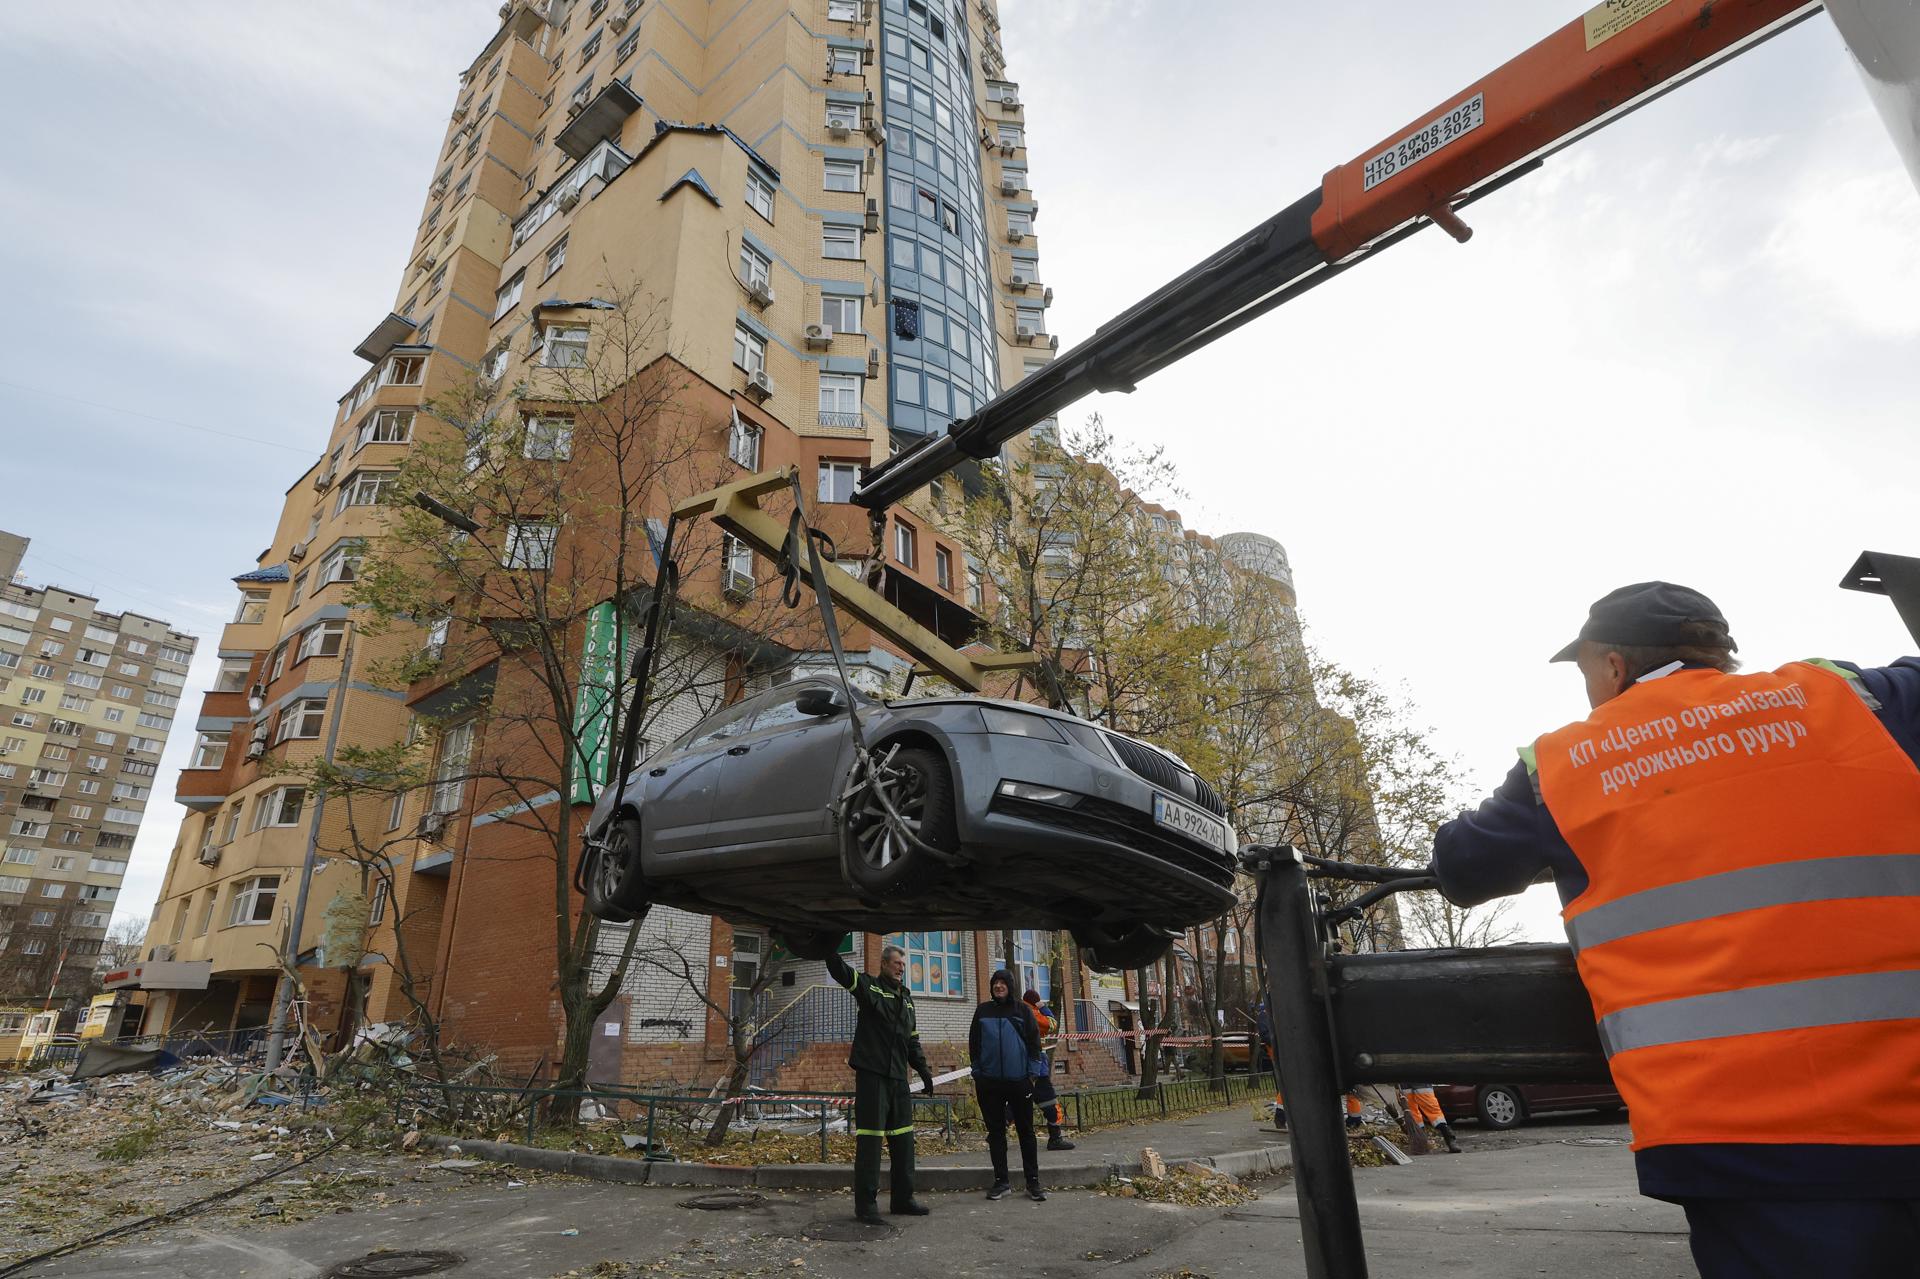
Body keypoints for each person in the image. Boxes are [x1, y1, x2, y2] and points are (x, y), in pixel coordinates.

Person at [1430, 581, 1920, 1278]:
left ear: (1614, 668)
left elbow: (1460, 865)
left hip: (1750, 1145)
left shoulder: (1566, 765)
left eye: (1584, 672)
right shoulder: (1850, 696)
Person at [816, 937, 936, 1224]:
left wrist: (924, 1071)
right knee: (870, 1144)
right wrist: (827, 950)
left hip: (898, 1080)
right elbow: (844, 974)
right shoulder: (871, 988)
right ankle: (866, 1206)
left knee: (904, 1142)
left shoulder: (907, 999)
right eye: (897, 964)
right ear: (884, 964)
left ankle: (903, 1200)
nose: (901, 969)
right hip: (872, 1078)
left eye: (904, 965)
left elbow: (912, 1042)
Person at [971, 971, 1047, 1202]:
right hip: (989, 1084)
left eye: (1003, 983)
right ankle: (1001, 1182)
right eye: (995, 982)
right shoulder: (982, 1011)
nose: (999, 986)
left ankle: (1032, 1183)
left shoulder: (1022, 1010)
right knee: (996, 1134)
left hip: (1019, 1082)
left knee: (1026, 1132)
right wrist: (978, 1073)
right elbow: (974, 1044)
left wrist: (1031, 1076)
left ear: (1010, 986)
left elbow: (1035, 1043)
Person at [1021, 989, 1077, 1151]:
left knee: (1017, 1103)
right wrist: (1042, 1007)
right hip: (1037, 1069)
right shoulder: (1031, 1013)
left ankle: (996, 1135)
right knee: (1050, 1104)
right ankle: (1055, 1138)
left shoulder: (1018, 1012)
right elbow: (1051, 1024)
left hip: (1023, 1067)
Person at [1398, 1084, 1461, 1154]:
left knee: (1432, 1110)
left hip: (1419, 1080)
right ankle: (1421, 1143)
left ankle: (1450, 1139)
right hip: (1405, 1082)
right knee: (1412, 1114)